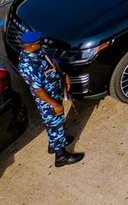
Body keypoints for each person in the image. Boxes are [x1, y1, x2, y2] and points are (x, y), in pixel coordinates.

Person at [16, 29, 83, 167]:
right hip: (47, 100)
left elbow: (52, 63)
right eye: (39, 42)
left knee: (55, 122)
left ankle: (55, 143)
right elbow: (38, 90)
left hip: (54, 91)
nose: (42, 43)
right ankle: (61, 156)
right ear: (29, 46)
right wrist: (55, 105)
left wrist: (64, 76)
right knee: (55, 123)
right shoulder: (27, 65)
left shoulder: (38, 51)